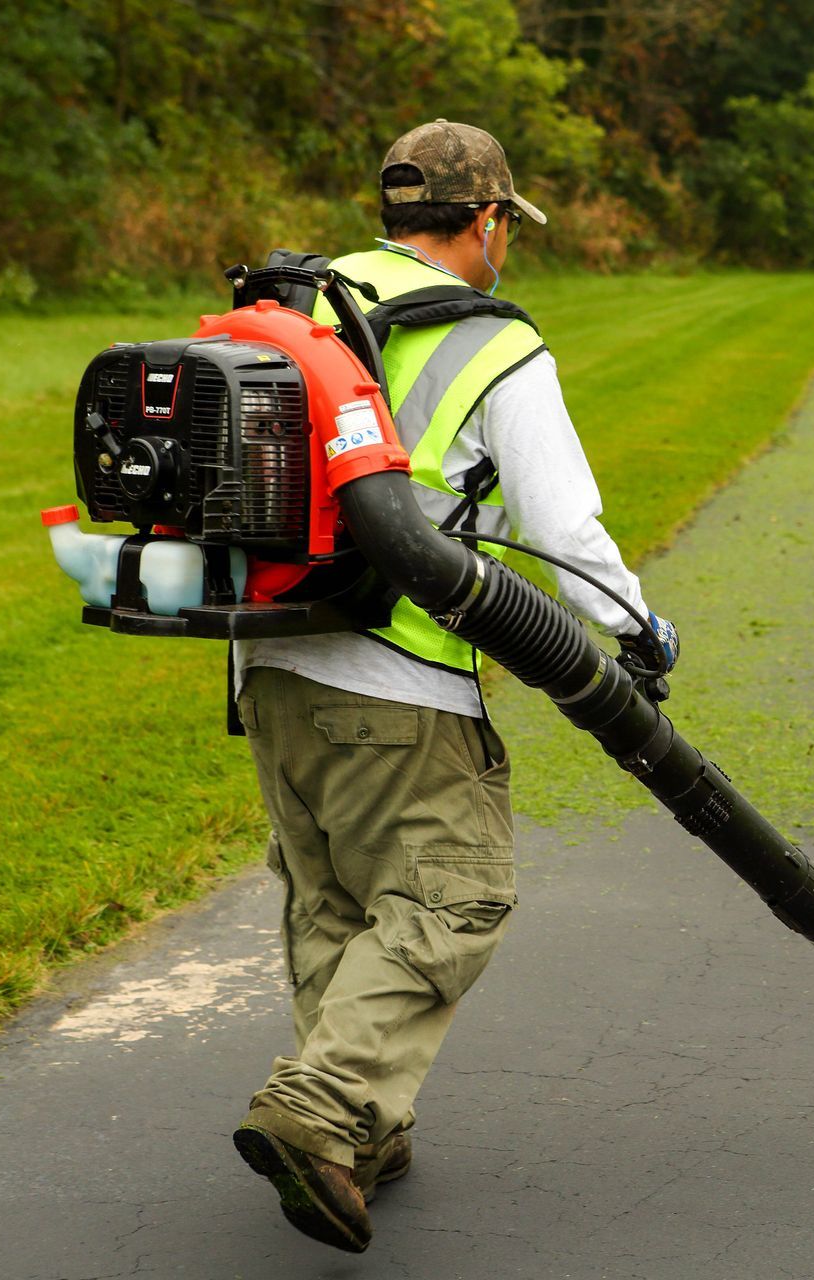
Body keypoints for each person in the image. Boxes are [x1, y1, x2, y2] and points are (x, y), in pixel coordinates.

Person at [228, 119, 678, 1253]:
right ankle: (322, 1112)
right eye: (502, 230)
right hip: (404, 672)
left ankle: (362, 1130)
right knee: (449, 898)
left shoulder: (299, 306)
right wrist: (638, 631)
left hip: (269, 661)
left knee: (333, 898)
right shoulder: (492, 342)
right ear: (486, 223)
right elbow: (561, 523)